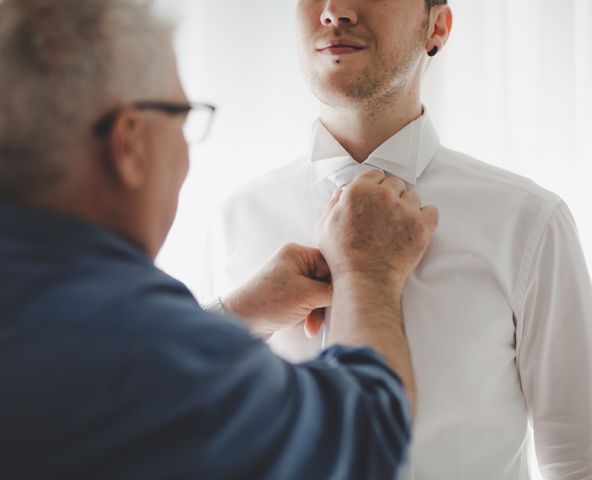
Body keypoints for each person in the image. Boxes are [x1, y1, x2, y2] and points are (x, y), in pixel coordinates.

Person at [0, 0, 440, 479]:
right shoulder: (143, 343)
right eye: (182, 116)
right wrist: (367, 273)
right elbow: (365, 446)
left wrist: (230, 318)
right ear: (129, 144)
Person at [202, 0, 592, 478]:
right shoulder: (236, 218)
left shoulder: (528, 221)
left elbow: (577, 455)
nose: (334, 10)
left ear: (438, 26)